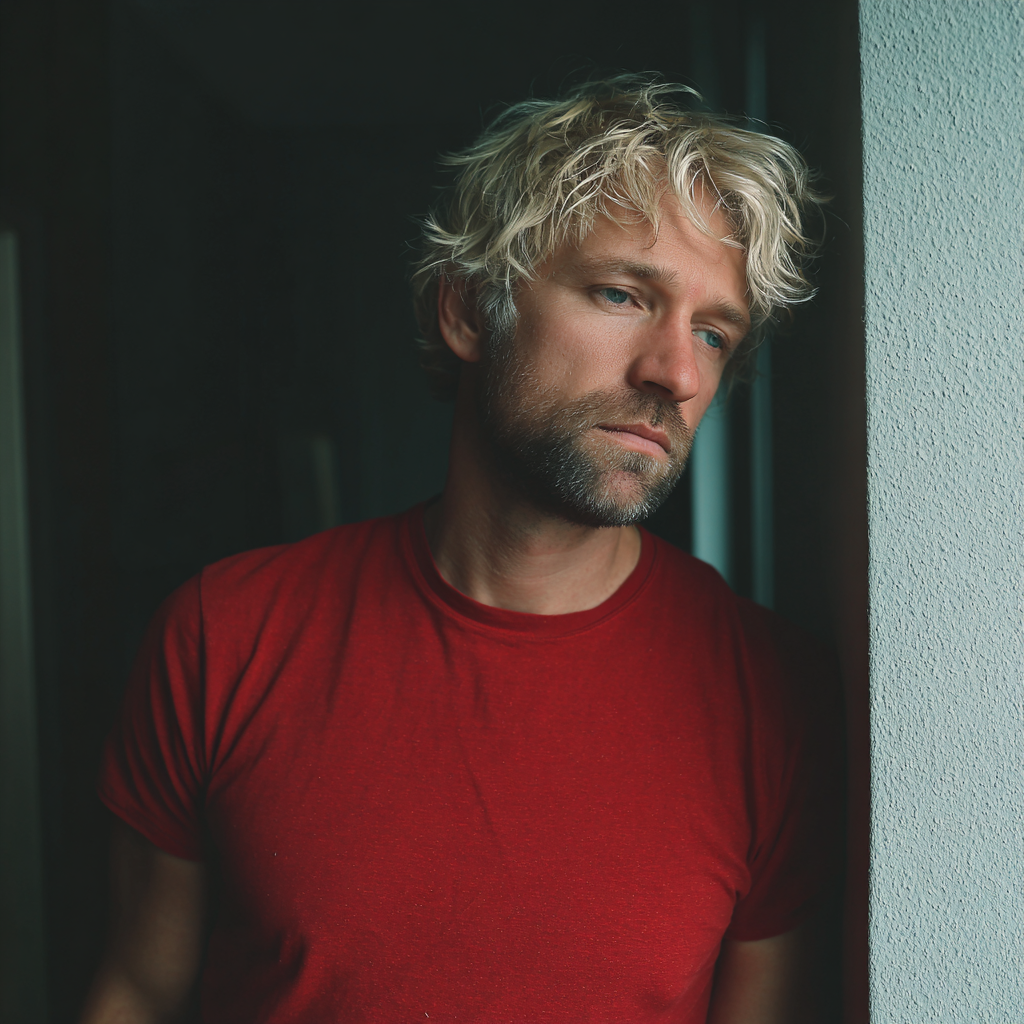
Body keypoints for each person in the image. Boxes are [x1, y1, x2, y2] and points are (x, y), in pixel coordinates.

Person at [82, 77, 841, 1024]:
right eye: (619, 292)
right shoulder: (225, 635)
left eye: (714, 332)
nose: (676, 373)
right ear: (468, 311)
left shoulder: (775, 697)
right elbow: (136, 994)